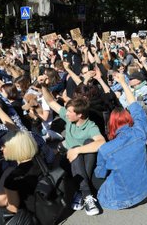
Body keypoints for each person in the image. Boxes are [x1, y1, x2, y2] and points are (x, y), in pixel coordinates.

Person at [95, 73, 147, 209]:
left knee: (98, 181)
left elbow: (100, 174)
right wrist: (123, 83)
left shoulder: (105, 149)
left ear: (111, 125)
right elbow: (135, 107)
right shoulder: (139, 132)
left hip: (125, 200)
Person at [41, 84, 106, 216]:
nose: (67, 114)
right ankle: (87, 195)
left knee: (86, 144)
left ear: (79, 115)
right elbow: (51, 101)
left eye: (70, 112)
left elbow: (101, 142)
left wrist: (77, 150)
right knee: (79, 149)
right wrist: (43, 86)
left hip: (80, 158)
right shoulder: (69, 118)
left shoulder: (91, 126)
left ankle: (83, 194)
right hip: (68, 160)